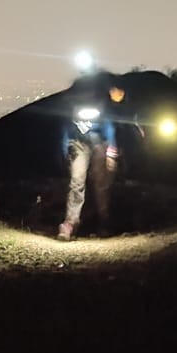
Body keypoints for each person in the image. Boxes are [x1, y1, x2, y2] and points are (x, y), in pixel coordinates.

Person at [57, 76, 128, 239]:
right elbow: (65, 126)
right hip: (78, 143)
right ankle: (70, 222)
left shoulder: (102, 99)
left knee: (101, 184)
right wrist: (64, 148)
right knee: (77, 181)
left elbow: (109, 125)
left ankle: (104, 222)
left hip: (99, 142)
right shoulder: (70, 102)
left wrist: (111, 152)